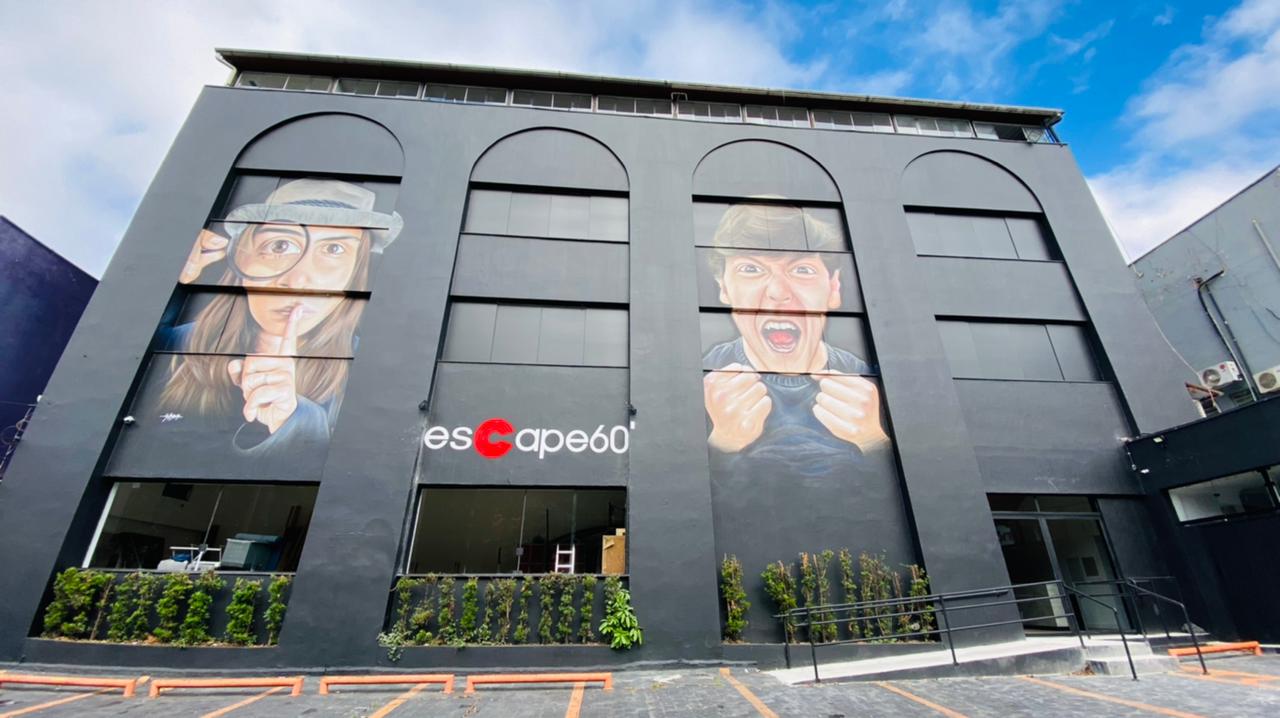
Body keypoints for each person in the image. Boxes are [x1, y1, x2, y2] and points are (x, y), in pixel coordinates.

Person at [144, 178, 403, 467]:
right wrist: (170, 279)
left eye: (334, 250)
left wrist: (294, 419)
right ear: (242, 258)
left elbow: (361, 468)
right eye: (280, 245)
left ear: (355, 273)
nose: (299, 280)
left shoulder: (369, 374)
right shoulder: (177, 345)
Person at [701, 203, 889, 477]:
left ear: (833, 287)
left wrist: (873, 440)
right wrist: (721, 443)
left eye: (802, 270)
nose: (778, 292)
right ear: (724, 288)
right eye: (751, 269)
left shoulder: (868, 383)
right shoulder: (702, 380)